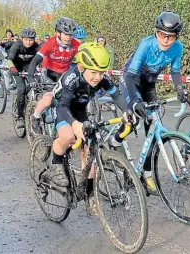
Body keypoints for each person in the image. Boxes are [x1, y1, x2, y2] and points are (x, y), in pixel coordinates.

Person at [46, 42, 131, 215]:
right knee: (69, 136)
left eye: (101, 73)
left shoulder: (102, 78)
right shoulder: (71, 78)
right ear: (81, 67)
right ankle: (55, 163)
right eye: (93, 72)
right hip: (62, 108)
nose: (97, 77)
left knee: (90, 149)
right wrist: (74, 124)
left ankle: (90, 194)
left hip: (80, 110)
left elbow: (116, 95)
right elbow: (63, 107)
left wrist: (127, 111)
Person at [111, 11, 187, 196]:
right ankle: (114, 142)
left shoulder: (178, 48)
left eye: (171, 37)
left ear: (177, 37)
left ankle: (146, 174)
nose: (166, 40)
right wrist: (136, 101)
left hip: (149, 84)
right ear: (156, 32)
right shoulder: (146, 44)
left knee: (154, 129)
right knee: (133, 120)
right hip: (131, 80)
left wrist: (180, 88)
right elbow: (129, 75)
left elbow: (175, 72)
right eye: (162, 35)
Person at [27, 17, 80, 135]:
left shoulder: (75, 44)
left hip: (65, 74)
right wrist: (30, 77)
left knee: (71, 99)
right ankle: (35, 117)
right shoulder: (50, 43)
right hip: (49, 73)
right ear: (58, 33)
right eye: (66, 34)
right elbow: (35, 61)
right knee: (49, 98)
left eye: (71, 34)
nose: (69, 37)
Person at [7, 27, 40, 129]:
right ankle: (20, 116)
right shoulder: (16, 46)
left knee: (38, 86)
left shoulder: (36, 47)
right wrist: (13, 69)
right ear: (21, 38)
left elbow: (43, 58)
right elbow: (9, 60)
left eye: (31, 40)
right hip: (17, 69)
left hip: (30, 70)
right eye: (26, 39)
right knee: (21, 89)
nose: (28, 42)